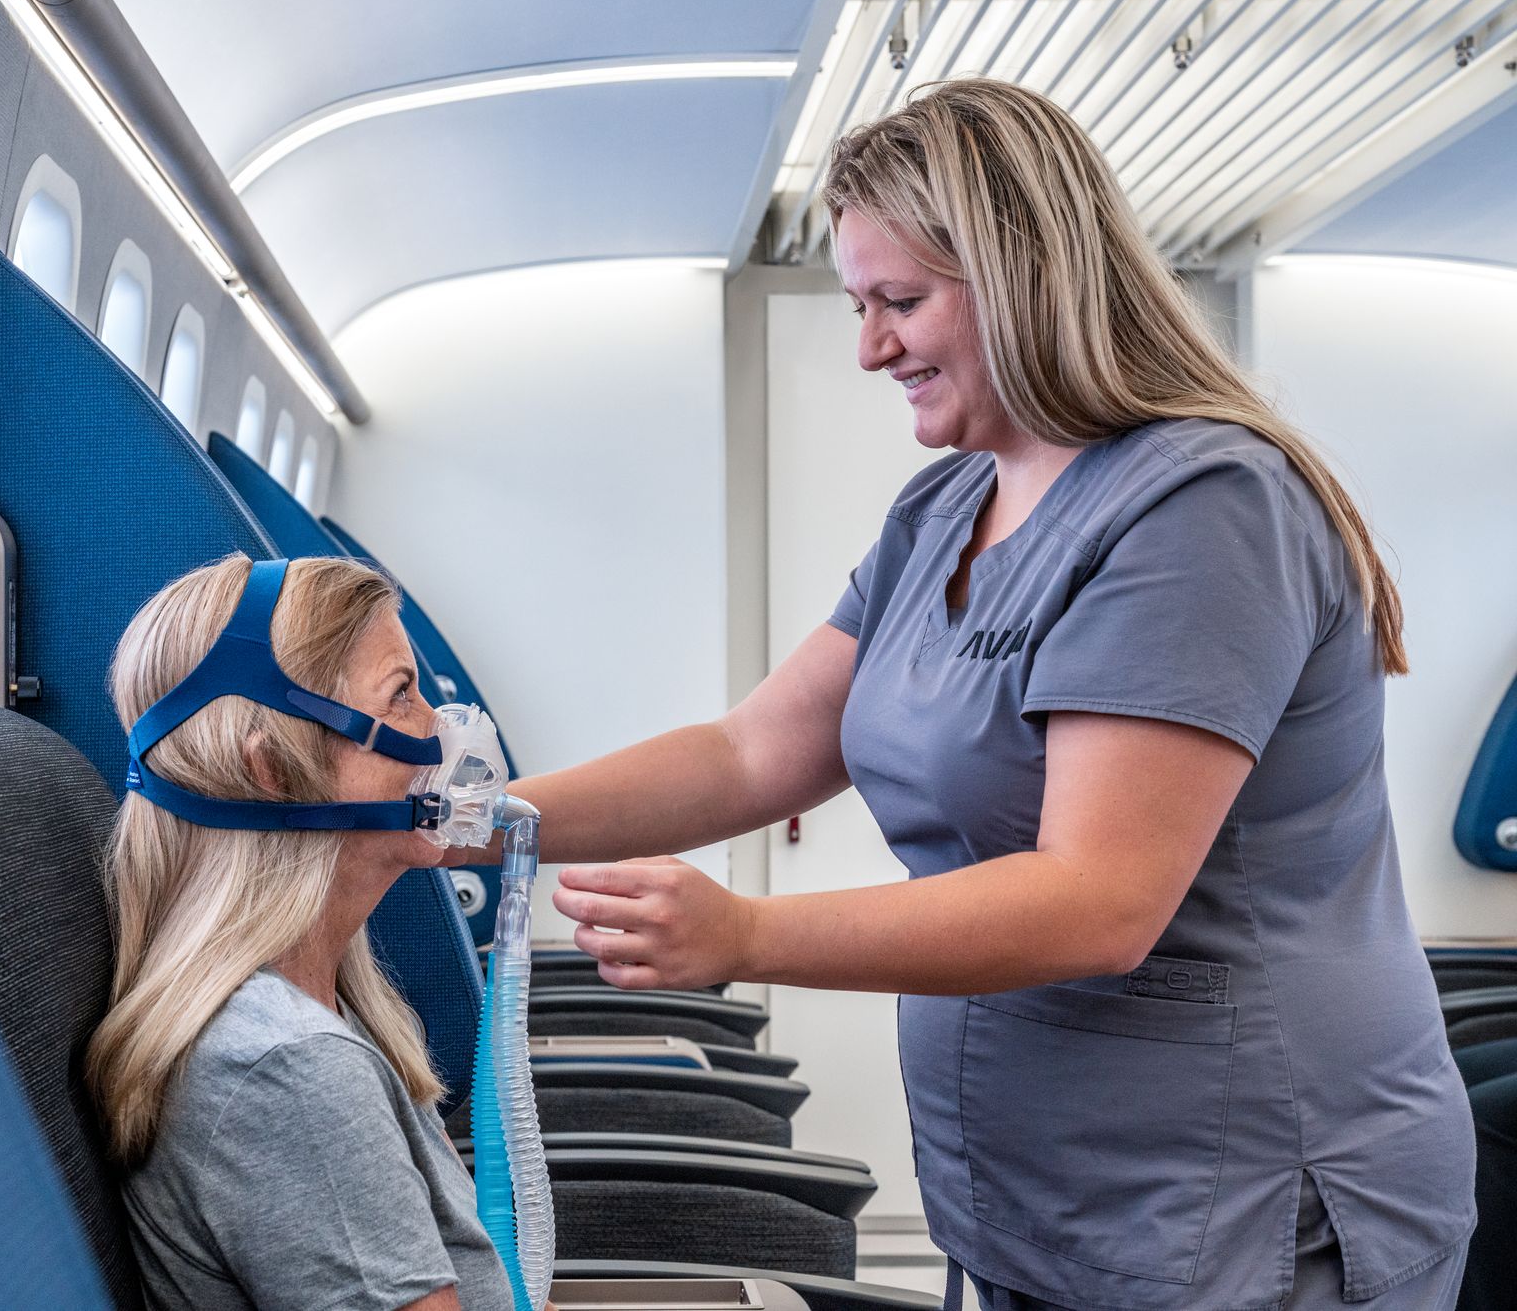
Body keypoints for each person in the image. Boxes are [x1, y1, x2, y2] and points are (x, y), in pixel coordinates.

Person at [504, 79, 1476, 1309]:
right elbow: (753, 753)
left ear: (1026, 276)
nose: (869, 347)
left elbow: (1096, 898)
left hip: (1237, 1195)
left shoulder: (1203, 509)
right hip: (1031, 1184)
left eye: (899, 302)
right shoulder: (946, 504)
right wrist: (476, 817)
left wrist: (742, 936)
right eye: (858, 306)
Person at [87, 554, 515, 1311]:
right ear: (274, 772)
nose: (438, 730)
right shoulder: (291, 1068)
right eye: (402, 694)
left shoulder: (331, 1007)